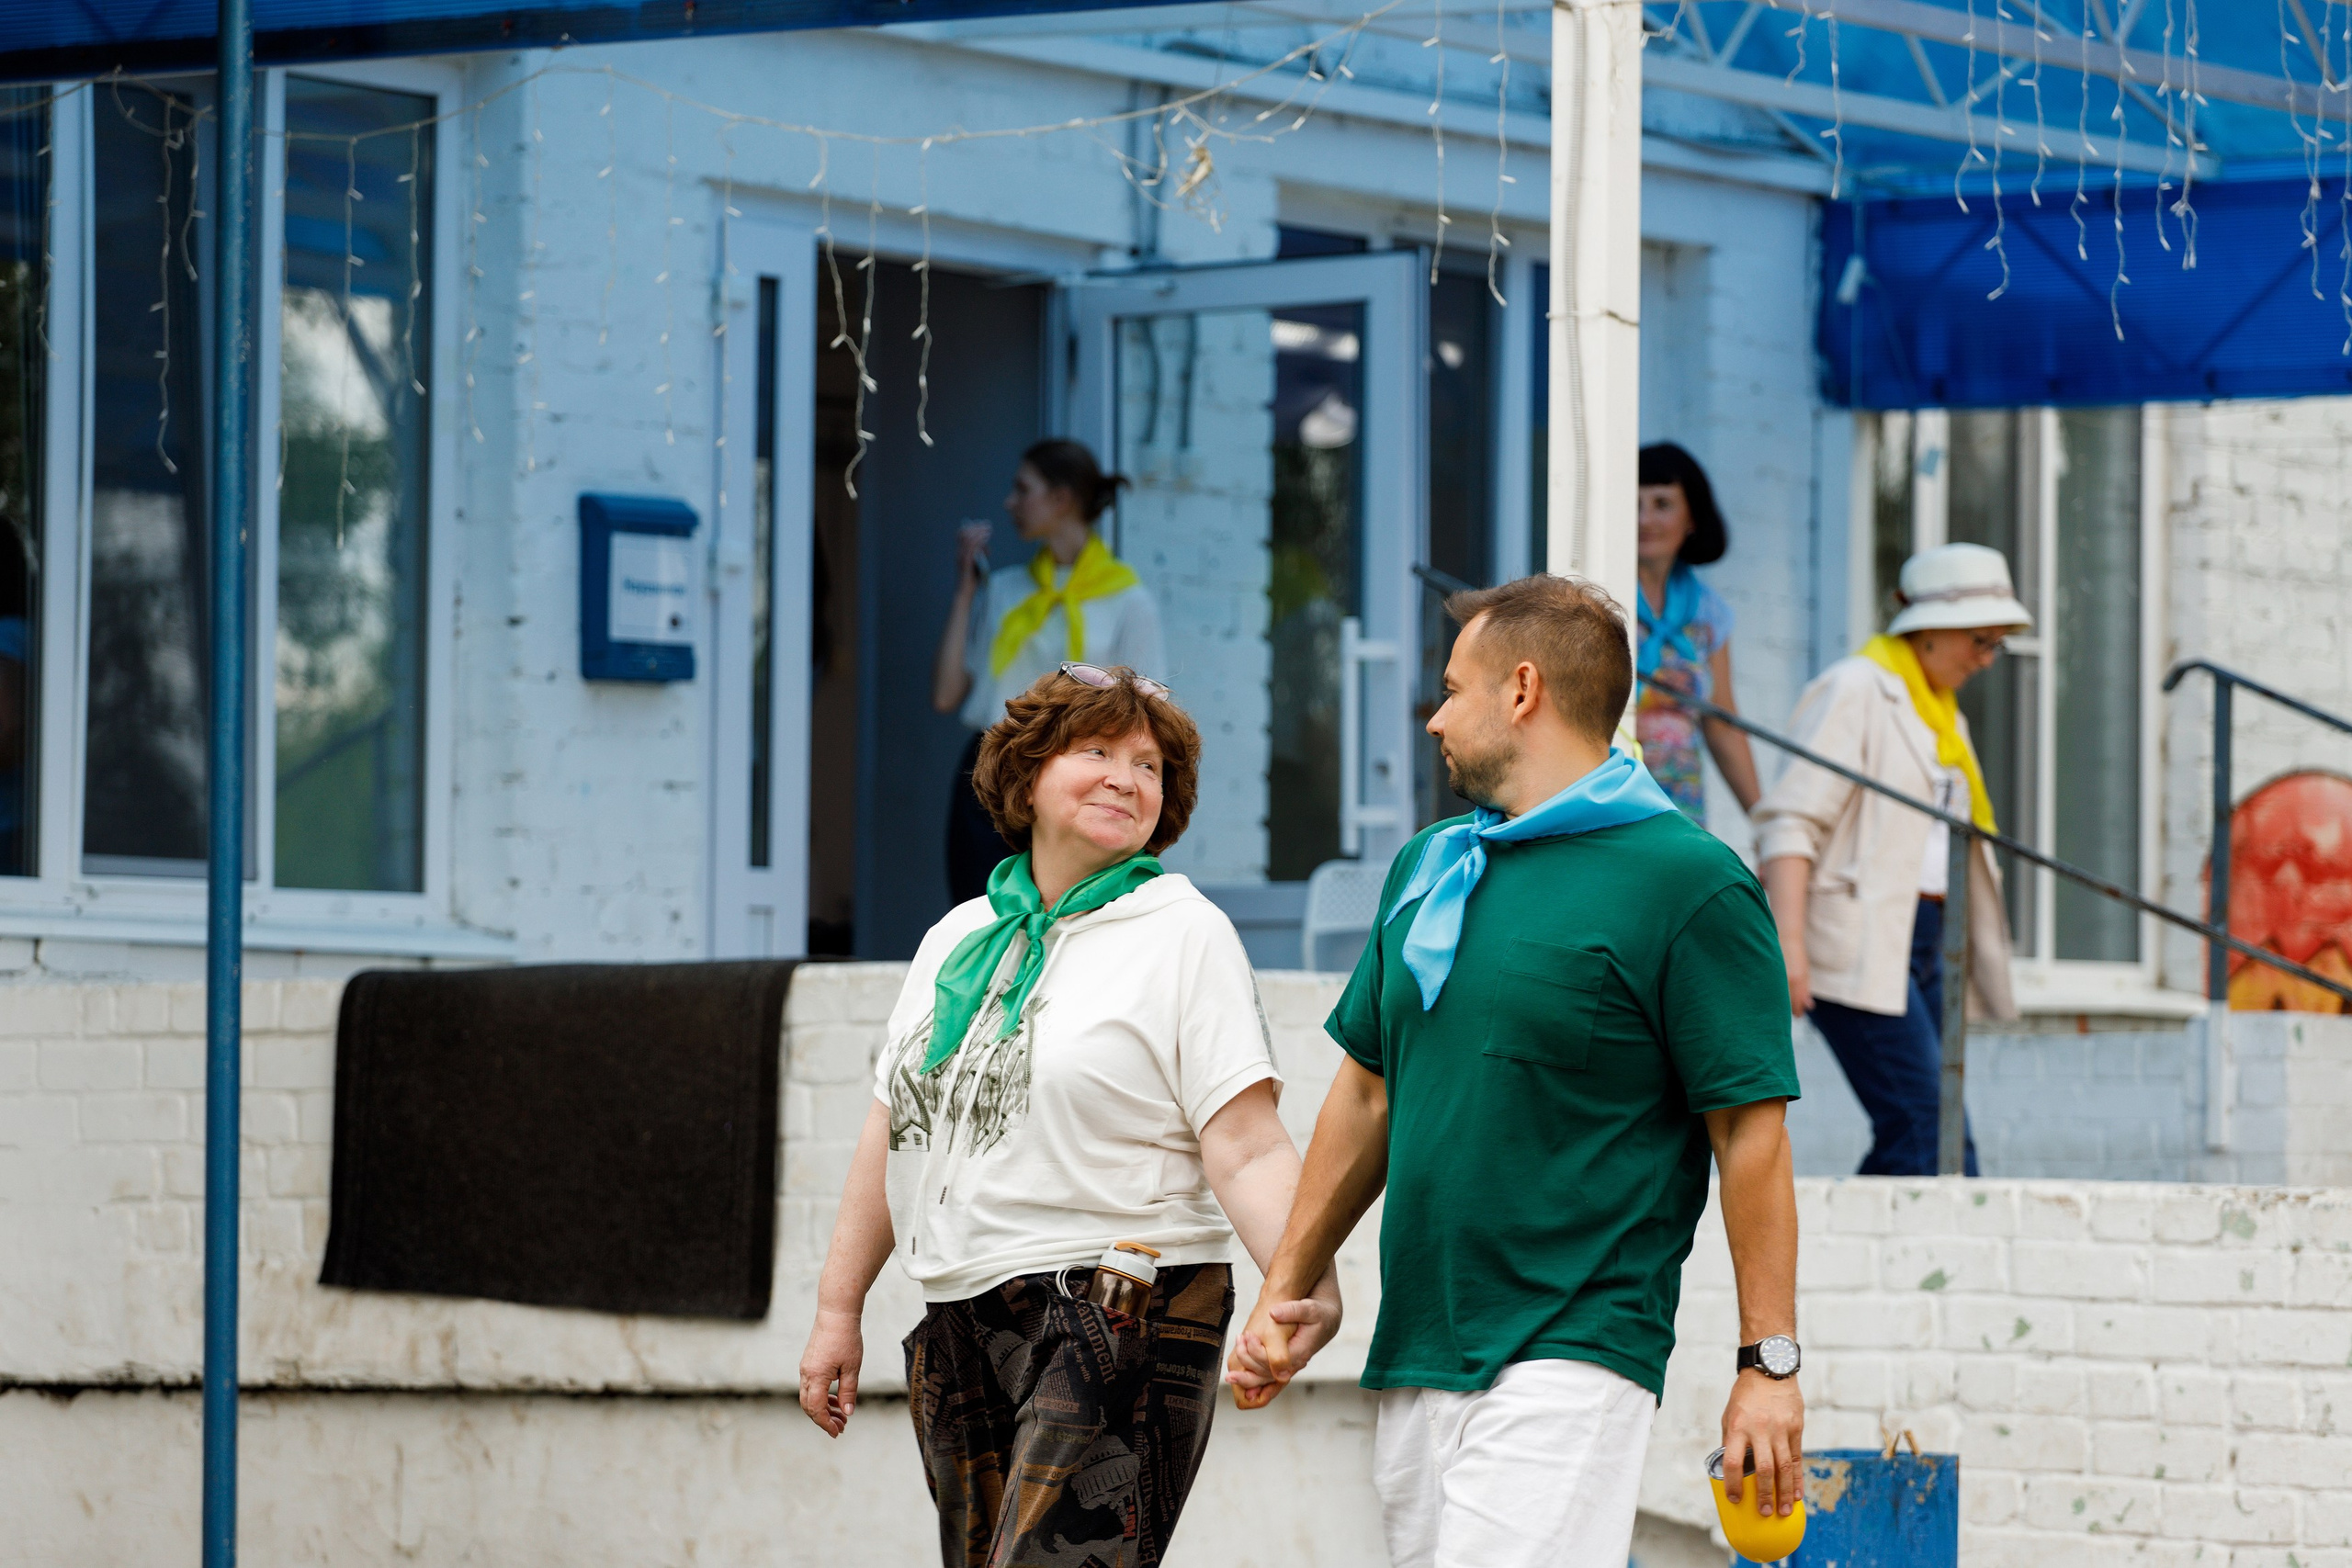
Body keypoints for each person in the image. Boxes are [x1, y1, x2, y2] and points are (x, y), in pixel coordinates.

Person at [1226, 575, 1805, 1568]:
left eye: (1453, 689)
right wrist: (1287, 1282)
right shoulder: (1430, 867)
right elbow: (1368, 1092)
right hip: (1419, 1344)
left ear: (1523, 690)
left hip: (1573, 1343)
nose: (1434, 718)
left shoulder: (1688, 882)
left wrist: (1768, 1364)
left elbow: (1748, 1134)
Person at [799, 663, 1339, 1568]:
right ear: (1025, 772)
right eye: (1098, 751)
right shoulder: (958, 939)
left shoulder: (1180, 930)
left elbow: (1244, 1146)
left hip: (1117, 1304)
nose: (1128, 779)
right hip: (959, 1315)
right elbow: (893, 1132)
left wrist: (1303, 1282)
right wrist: (835, 1309)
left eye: (1150, 765)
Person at [1751, 542, 2028, 1178]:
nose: (1986, 660)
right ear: (1929, 629)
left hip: (1927, 939)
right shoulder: (1857, 689)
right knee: (1933, 1133)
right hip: (1857, 937)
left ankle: (1866, 1262)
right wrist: (1788, 944)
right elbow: (1791, 819)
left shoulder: (1939, 711)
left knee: (1930, 1132)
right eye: (1980, 640)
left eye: (1997, 645)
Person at [932, 439, 1164, 904]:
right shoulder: (1005, 590)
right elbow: (946, 694)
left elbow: (1150, 715)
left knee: (1068, 920)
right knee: (981, 914)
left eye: (1023, 489)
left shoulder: (1127, 601)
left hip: (1078, 777)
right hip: (991, 771)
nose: (1010, 502)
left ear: (1061, 499)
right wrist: (965, 593)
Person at [1634, 442, 1760, 822]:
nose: (1645, 519)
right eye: (1634, 503)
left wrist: (1765, 825)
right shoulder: (1597, 598)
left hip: (1680, 813)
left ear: (1692, 518)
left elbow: (1722, 723)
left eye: (1662, 504)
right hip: (1611, 809)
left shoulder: (1707, 612)